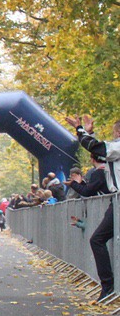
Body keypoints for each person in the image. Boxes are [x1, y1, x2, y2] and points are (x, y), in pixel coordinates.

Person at [68, 114, 120, 301]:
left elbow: (97, 148)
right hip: (115, 201)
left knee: (97, 239)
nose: (113, 137)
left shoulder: (118, 147)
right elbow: (99, 151)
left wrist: (80, 130)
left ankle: (108, 286)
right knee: (98, 239)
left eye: (114, 133)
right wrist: (89, 134)